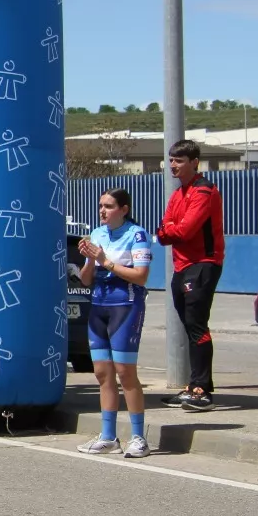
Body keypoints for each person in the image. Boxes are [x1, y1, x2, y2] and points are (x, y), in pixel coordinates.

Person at [73, 189, 153, 458]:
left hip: (126, 306)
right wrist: (90, 261)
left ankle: (139, 437)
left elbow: (141, 276)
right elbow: (86, 280)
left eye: (108, 206)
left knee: (125, 372)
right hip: (98, 307)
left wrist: (106, 260)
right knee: (102, 373)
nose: (102, 211)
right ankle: (108, 436)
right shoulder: (96, 234)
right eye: (100, 206)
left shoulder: (137, 234)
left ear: (124, 209)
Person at [155, 140, 225, 412]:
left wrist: (171, 229)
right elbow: (163, 231)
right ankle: (193, 384)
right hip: (182, 266)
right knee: (188, 327)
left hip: (203, 264)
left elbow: (184, 231)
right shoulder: (178, 193)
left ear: (194, 162)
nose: (173, 165)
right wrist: (170, 229)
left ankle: (202, 389)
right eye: (171, 160)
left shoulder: (203, 190)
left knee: (197, 326)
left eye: (179, 160)